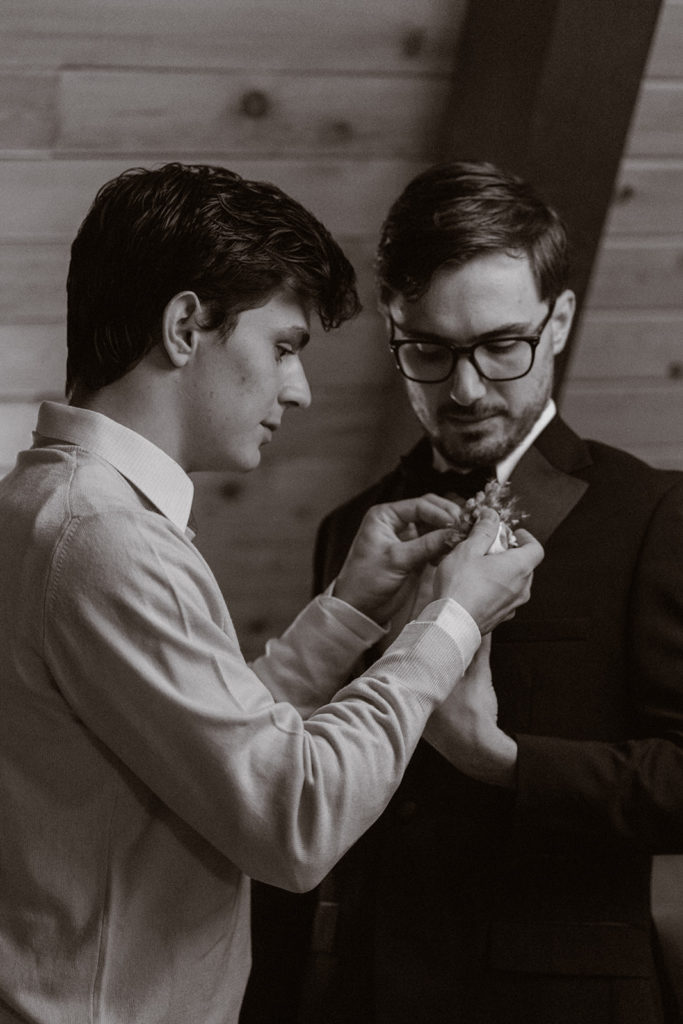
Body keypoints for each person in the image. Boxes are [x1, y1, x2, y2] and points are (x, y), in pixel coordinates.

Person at [0, 162, 543, 1024]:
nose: (299, 388)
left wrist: (347, 612)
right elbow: (292, 818)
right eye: (285, 346)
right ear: (185, 325)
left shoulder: (48, 506)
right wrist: (449, 620)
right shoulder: (103, 539)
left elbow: (204, 750)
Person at [243, 161, 683, 1024]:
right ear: (395, 337)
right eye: (431, 351)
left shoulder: (656, 513)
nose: (467, 388)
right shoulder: (350, 528)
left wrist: (504, 762)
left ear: (556, 323)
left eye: (500, 345)